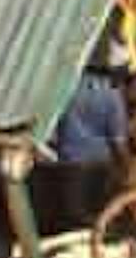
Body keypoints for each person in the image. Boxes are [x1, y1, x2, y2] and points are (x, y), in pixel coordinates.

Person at [41, 65, 128, 234]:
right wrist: (124, 165)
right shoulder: (111, 93)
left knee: (72, 218)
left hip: (71, 163)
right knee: (100, 216)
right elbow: (118, 138)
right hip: (102, 163)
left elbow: (50, 133)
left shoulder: (64, 89)